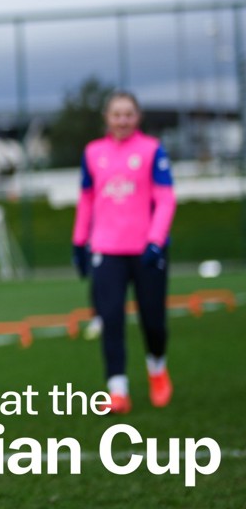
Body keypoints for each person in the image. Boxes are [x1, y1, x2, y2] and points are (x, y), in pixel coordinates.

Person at [71, 90, 176, 415]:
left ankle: (157, 369)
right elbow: (87, 198)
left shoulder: (152, 150)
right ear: (107, 117)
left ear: (138, 117)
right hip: (107, 249)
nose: (123, 120)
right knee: (110, 317)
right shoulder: (92, 153)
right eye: (117, 114)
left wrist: (156, 240)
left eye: (128, 114)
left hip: (147, 250)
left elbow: (166, 198)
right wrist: (79, 241)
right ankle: (117, 388)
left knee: (153, 321)